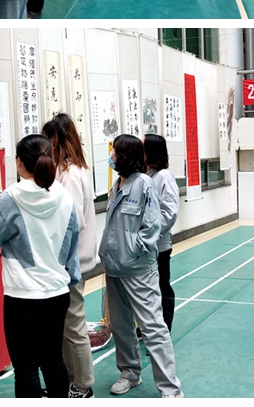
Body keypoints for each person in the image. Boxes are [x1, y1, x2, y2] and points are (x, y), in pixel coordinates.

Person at [0, 134, 80, 398]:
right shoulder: (65, 197)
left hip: (22, 298)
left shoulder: (11, 199)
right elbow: (72, 244)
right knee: (54, 360)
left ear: (18, 163)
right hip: (57, 294)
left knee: (26, 368)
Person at [99, 135, 183, 397]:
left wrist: (133, 250)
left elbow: (153, 225)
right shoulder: (117, 184)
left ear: (125, 156)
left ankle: (170, 388)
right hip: (114, 268)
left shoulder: (144, 184)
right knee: (121, 326)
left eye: (115, 152)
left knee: (153, 327)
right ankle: (129, 373)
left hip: (138, 268)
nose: (112, 157)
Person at [43, 114, 97, 399]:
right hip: (65, 263)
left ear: (55, 141)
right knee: (65, 326)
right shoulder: (66, 171)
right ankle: (70, 380)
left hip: (71, 263)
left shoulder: (71, 175)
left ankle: (84, 385)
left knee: (74, 325)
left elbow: (71, 221)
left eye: (46, 141)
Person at [144, 134, 180, 332]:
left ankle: (164, 330)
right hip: (144, 246)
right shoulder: (144, 176)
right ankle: (149, 327)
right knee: (148, 290)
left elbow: (169, 212)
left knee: (162, 287)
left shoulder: (164, 176)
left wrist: (150, 233)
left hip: (159, 246)